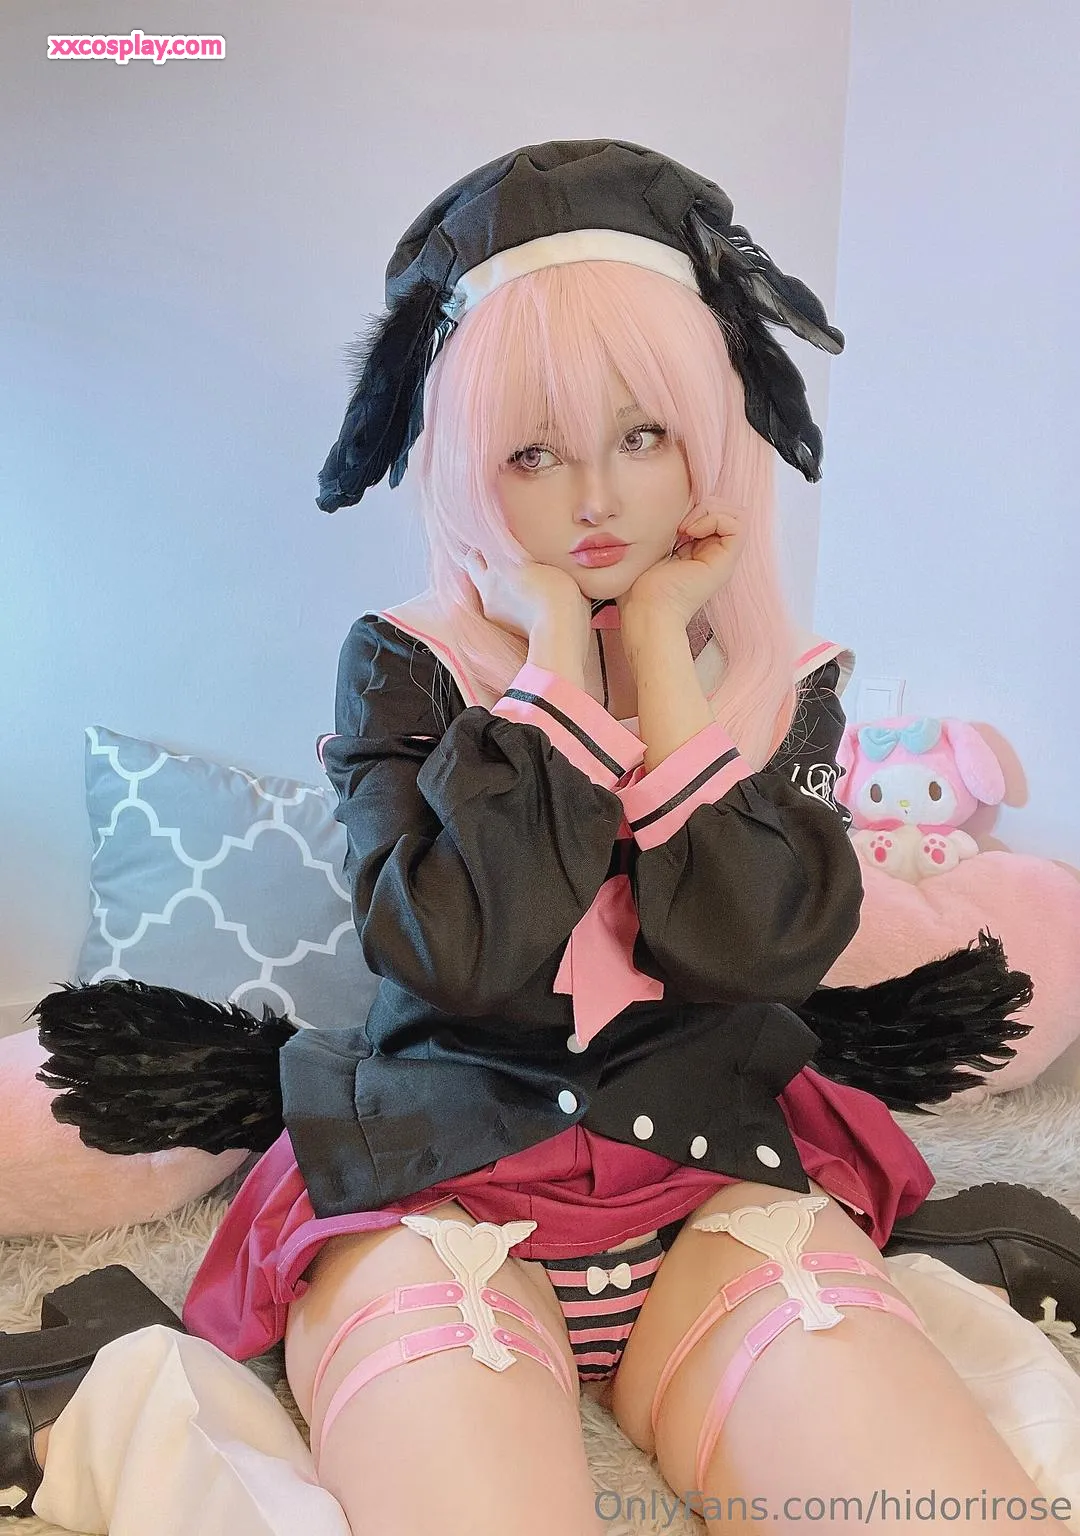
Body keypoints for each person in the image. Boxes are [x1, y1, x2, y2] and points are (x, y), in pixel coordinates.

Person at [6, 138, 1080, 1534]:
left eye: (643, 435)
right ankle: (116, 1389)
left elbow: (755, 955)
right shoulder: (405, 660)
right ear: (467, 460)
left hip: (715, 1172)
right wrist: (558, 665)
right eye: (532, 452)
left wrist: (669, 660)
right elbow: (453, 951)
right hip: (435, 1180)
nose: (595, 500)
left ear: (710, 435)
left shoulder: (790, 675)